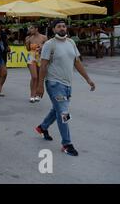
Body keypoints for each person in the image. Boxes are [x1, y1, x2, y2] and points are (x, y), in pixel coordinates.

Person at [35, 19, 96, 157]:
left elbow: (77, 62)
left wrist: (88, 79)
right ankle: (67, 144)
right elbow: (43, 66)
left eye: (63, 26)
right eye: (58, 26)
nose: (62, 28)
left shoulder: (71, 42)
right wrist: (40, 86)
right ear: (53, 29)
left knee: (56, 109)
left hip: (67, 85)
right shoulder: (49, 45)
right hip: (54, 83)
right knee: (63, 113)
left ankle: (42, 127)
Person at [25, 23, 47, 103]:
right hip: (32, 56)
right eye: (29, 28)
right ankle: (32, 95)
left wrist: (42, 47)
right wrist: (27, 42)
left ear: (36, 29)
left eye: (31, 28)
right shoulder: (28, 38)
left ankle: (37, 94)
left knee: (39, 76)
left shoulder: (44, 37)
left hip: (40, 57)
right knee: (34, 76)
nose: (29, 30)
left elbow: (47, 48)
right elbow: (27, 49)